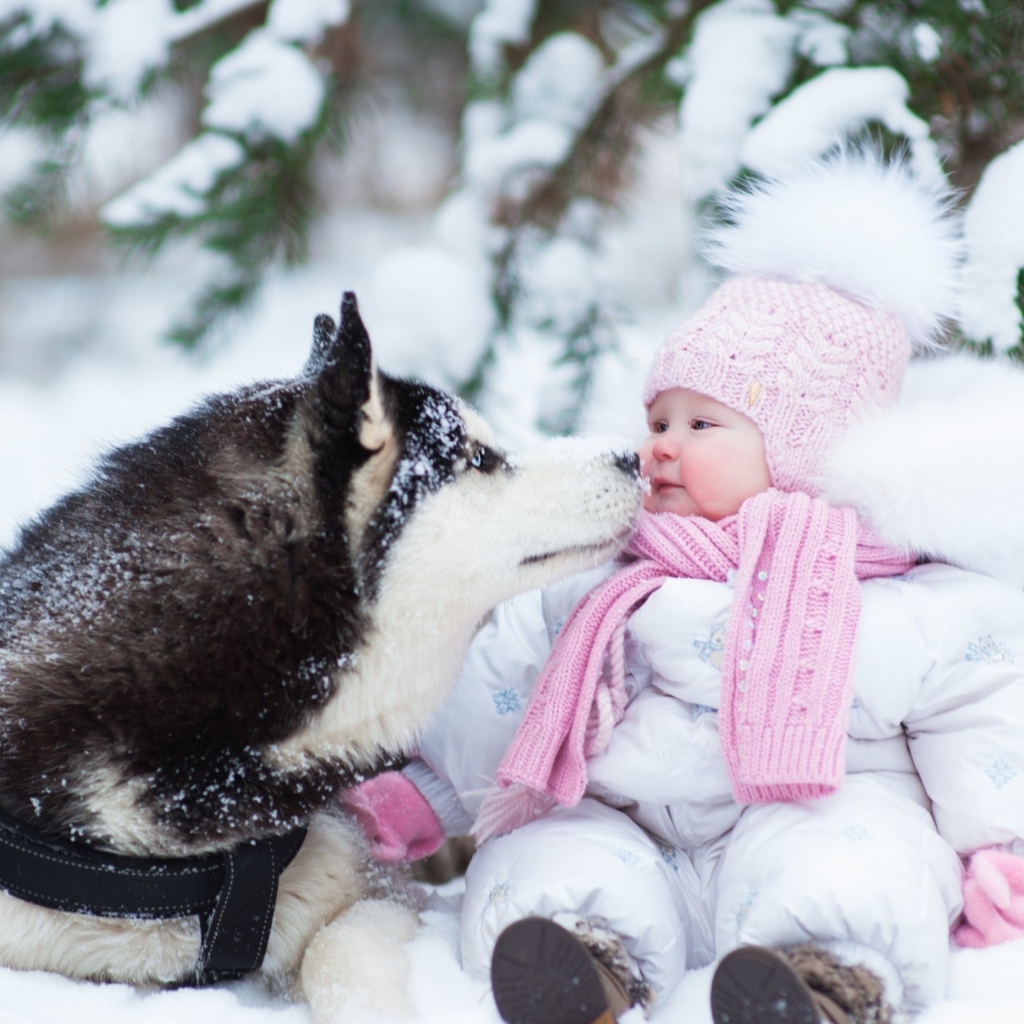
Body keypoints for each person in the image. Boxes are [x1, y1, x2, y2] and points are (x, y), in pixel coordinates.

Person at [341, 150, 1024, 1024]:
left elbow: (985, 707)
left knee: (863, 858)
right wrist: (428, 787)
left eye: (702, 425)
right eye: (658, 418)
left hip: (808, 813)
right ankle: (582, 966)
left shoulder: (893, 595)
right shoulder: (607, 573)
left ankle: (826, 982)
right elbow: (508, 690)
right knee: (548, 850)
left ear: (805, 453)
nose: (660, 443)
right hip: (634, 825)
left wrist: (997, 847)